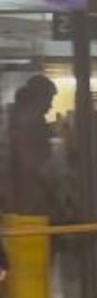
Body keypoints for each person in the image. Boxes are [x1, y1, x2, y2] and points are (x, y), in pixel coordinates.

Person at [9, 74, 57, 216]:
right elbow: (31, 165)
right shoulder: (28, 125)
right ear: (38, 99)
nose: (50, 106)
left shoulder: (21, 122)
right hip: (31, 202)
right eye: (49, 99)